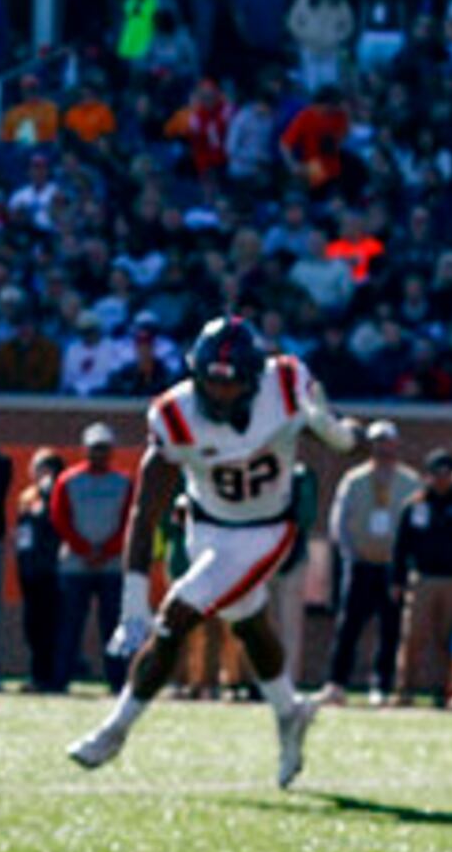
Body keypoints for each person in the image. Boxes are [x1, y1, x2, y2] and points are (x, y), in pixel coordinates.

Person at [67, 320, 356, 784]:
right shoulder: (175, 414)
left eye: (230, 381)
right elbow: (145, 512)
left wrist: (336, 432)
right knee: (249, 622)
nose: (219, 392)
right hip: (205, 527)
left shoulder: (285, 384)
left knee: (175, 616)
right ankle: (289, 711)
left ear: (253, 378)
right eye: (211, 380)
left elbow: (349, 443)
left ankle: (115, 728)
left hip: (266, 529)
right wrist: (131, 600)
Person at [321, 421, 420, 700]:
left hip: (393, 568)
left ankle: (381, 684)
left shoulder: (410, 481)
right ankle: (336, 683)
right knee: (348, 627)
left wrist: (406, 563)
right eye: (378, 443)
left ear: (396, 446)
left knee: (390, 629)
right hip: (361, 563)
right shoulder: (354, 480)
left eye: (387, 443)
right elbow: (338, 523)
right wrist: (350, 554)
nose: (383, 449)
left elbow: (417, 527)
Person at [47, 424, 136, 693]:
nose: (99, 454)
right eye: (95, 448)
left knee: (112, 626)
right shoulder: (67, 480)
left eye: (104, 448)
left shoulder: (124, 482)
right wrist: (84, 549)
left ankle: (118, 681)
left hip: (111, 566)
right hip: (75, 565)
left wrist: (107, 550)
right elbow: (59, 518)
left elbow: (130, 521)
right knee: (69, 625)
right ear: (85, 450)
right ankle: (60, 678)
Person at [395, 447, 452, 704]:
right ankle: (405, 690)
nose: (442, 479)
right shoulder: (415, 506)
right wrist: (397, 580)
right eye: (437, 474)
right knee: (413, 637)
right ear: (428, 476)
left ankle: (443, 691)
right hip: (423, 579)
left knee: (447, 641)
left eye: (447, 474)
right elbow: (401, 546)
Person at [10, 443, 72, 692]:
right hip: (30, 569)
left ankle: (53, 677)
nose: (39, 474)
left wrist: (48, 496)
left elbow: (56, 525)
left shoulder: (60, 496)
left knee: (53, 627)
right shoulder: (27, 496)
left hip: (52, 570)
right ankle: (37, 675)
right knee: (33, 627)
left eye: (45, 469)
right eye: (37, 469)